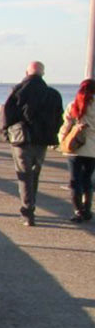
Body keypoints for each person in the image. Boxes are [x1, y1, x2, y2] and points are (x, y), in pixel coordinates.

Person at [0, 61, 64, 226]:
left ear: (27, 72)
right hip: (42, 141)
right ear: (42, 74)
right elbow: (59, 118)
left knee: (24, 174)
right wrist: (52, 133)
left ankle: (27, 211)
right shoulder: (53, 94)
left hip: (21, 140)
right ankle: (30, 206)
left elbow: (6, 114)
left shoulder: (18, 91)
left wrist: (5, 133)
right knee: (34, 173)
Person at [59, 78, 95, 222]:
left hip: (75, 148)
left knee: (75, 180)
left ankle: (78, 211)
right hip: (92, 150)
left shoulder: (74, 106)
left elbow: (66, 126)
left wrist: (62, 141)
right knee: (88, 179)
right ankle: (87, 209)